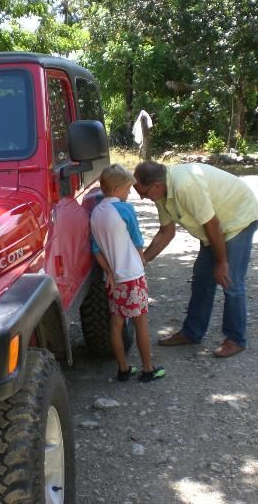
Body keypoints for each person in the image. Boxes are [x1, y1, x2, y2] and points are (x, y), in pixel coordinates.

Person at [133, 161, 258, 358]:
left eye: (143, 192)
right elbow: (167, 232)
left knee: (230, 280)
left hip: (238, 218)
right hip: (215, 228)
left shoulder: (185, 185)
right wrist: (142, 261)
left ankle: (236, 339)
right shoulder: (161, 193)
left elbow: (212, 224)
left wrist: (222, 263)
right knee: (202, 278)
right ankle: (192, 332)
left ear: (156, 185)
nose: (142, 197)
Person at [90, 163, 165, 382]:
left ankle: (123, 369)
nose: (129, 193)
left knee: (116, 324)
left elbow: (96, 250)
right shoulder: (125, 210)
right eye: (127, 189)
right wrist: (142, 260)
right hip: (132, 275)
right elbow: (137, 240)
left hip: (115, 279)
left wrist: (109, 272)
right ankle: (148, 369)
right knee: (141, 323)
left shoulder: (95, 213)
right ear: (116, 189)